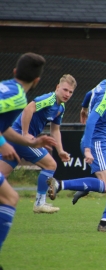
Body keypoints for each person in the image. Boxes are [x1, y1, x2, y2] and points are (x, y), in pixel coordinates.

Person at [46, 59, 106, 232]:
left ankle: (105, 222)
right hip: (97, 144)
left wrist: (83, 108)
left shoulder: (104, 84)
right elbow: (92, 121)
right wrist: (88, 148)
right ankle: (59, 184)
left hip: (100, 144)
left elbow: (89, 93)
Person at [0, 52, 56, 254]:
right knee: (9, 199)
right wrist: (2, 143)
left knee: (8, 197)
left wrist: (30, 140)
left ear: (15, 71)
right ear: (37, 80)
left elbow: (5, 129)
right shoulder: (17, 97)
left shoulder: (6, 86)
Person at [0, 74, 77, 214]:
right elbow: (29, 108)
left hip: (15, 138)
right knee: (50, 164)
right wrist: (25, 134)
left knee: (2, 174)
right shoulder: (49, 99)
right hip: (19, 138)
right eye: (65, 90)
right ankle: (39, 203)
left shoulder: (61, 108)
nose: (67, 94)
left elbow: (55, 129)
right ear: (57, 87)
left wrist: (60, 150)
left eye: (71, 92)